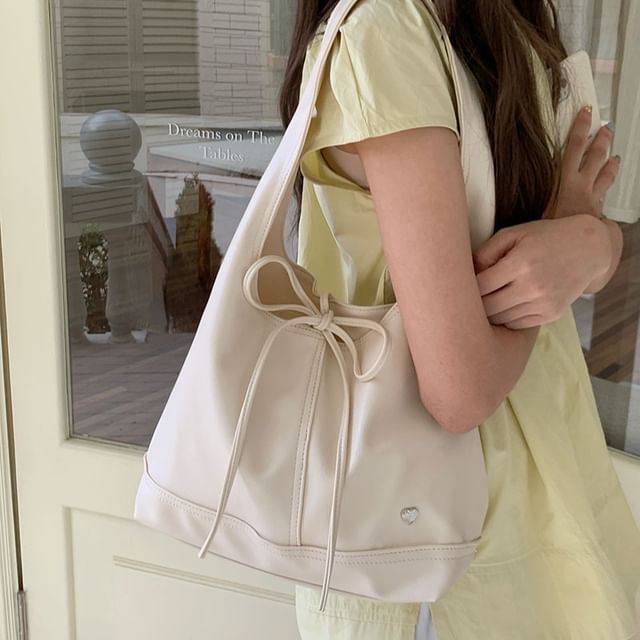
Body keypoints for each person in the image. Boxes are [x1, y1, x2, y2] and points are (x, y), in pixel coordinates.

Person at [278, 0, 640, 638]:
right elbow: (460, 390)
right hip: (444, 545)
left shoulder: (496, 25)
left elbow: (570, 259)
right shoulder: (385, 36)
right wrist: (568, 235)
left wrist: (593, 241)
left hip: (532, 488)